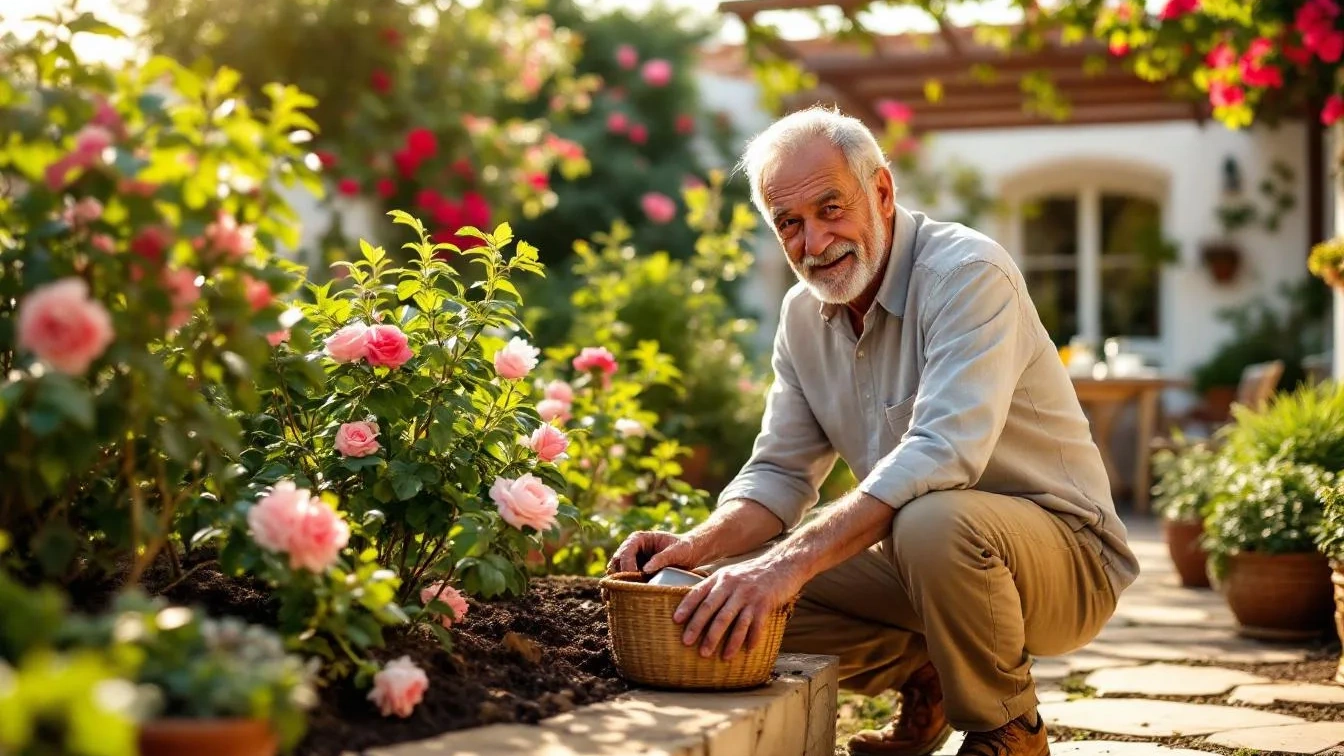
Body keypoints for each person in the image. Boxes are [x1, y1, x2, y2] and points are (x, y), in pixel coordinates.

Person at [606, 107, 1139, 756]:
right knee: (723, 595)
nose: (814, 242)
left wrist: (787, 565)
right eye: (789, 223)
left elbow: (942, 454)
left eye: (831, 208)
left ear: (881, 191)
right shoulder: (802, 316)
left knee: (925, 521)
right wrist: (697, 546)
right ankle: (929, 673)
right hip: (925, 561)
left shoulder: (968, 273)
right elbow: (779, 474)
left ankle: (1007, 727)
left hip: (1068, 562)